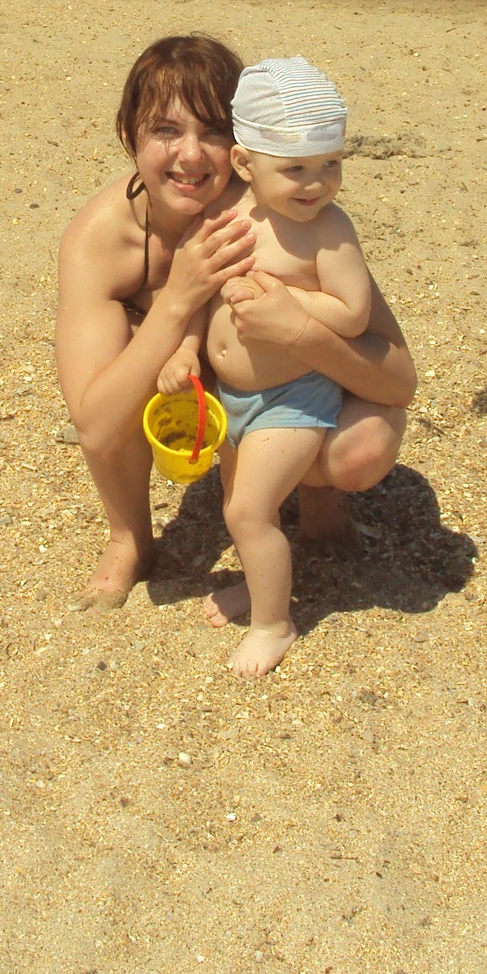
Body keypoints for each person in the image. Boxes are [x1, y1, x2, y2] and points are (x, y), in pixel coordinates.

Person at [55, 36, 416, 611]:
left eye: (214, 131)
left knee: (361, 447)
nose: (191, 156)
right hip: (193, 368)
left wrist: (297, 328)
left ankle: (319, 493)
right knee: (131, 352)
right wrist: (178, 299)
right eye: (165, 130)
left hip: (280, 378)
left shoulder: (287, 214)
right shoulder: (100, 240)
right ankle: (128, 538)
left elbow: (395, 379)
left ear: (246, 144)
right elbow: (96, 425)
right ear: (130, 135)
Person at [157, 59, 372, 677]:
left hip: (294, 396)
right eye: (295, 169)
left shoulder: (328, 232)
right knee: (244, 504)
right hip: (234, 397)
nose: (316, 184)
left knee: (246, 512)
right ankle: (259, 585)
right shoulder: (228, 217)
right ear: (246, 163)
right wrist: (185, 350)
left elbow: (353, 313)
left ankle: (274, 624)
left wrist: (287, 299)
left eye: (330, 165)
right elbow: (200, 297)